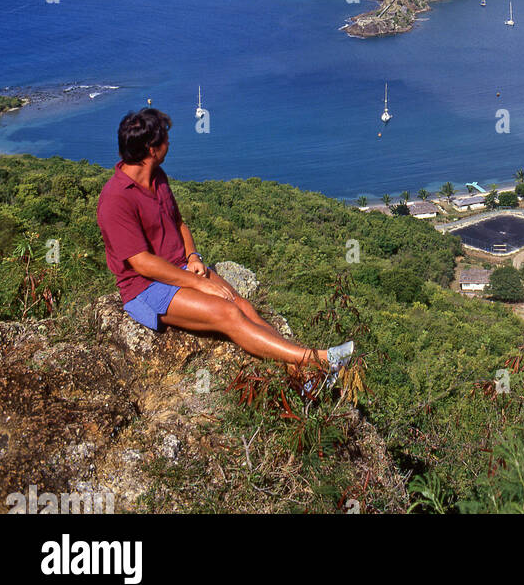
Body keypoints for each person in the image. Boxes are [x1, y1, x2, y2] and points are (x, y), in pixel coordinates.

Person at [96, 107, 352, 381]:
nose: (169, 144)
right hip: (146, 286)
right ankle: (321, 359)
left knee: (241, 305)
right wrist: (196, 282)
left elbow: (179, 223)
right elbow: (141, 262)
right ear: (151, 149)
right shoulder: (116, 198)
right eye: (165, 140)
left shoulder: (157, 177)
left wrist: (193, 257)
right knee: (229, 313)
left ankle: (304, 375)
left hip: (181, 267)